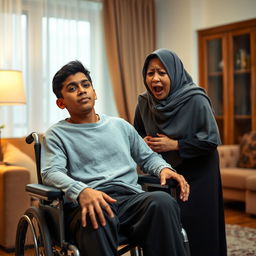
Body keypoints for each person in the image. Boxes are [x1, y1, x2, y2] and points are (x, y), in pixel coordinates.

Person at [40, 60, 190, 256]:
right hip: (89, 202)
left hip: (130, 201)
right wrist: (82, 191)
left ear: (95, 93)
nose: (82, 90)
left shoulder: (120, 126)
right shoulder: (56, 134)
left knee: (162, 202)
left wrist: (164, 169)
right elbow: (51, 172)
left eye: (86, 85)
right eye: (72, 88)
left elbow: (148, 158)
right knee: (97, 213)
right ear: (61, 103)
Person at [134, 48, 227, 256]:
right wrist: (144, 142)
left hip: (199, 174)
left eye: (162, 72)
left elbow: (211, 140)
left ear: (174, 73)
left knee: (199, 229)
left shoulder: (196, 99)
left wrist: (175, 145)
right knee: (164, 228)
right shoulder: (144, 102)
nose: (155, 79)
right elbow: (136, 134)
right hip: (162, 174)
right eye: (150, 73)